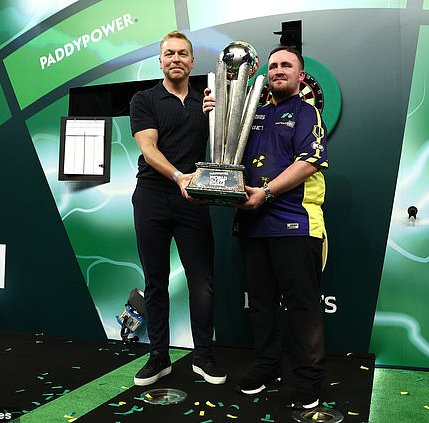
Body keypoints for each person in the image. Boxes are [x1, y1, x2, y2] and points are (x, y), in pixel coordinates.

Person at [204, 46, 328, 409]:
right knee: (261, 305)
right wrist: (215, 116)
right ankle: (267, 368)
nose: (278, 70)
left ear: (300, 76)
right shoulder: (251, 115)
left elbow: (310, 162)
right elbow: (226, 156)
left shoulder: (307, 114)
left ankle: (310, 380)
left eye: (286, 65)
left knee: (303, 306)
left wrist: (267, 192)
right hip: (252, 224)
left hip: (295, 223)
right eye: (273, 66)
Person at [129, 31, 226, 386]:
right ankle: (159, 356)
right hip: (153, 196)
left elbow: (221, 149)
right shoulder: (144, 99)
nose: (176, 59)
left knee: (202, 281)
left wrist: (217, 119)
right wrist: (178, 177)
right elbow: (148, 148)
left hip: (193, 200)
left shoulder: (207, 103)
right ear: (160, 60)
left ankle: (203, 355)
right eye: (169, 53)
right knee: (156, 281)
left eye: (183, 54)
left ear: (192, 61)